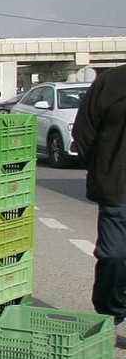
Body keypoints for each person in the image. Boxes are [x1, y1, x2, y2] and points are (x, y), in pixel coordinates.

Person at [75, 66, 126, 326]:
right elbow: (83, 132)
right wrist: (101, 168)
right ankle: (112, 312)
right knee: (114, 255)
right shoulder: (111, 83)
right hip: (117, 186)